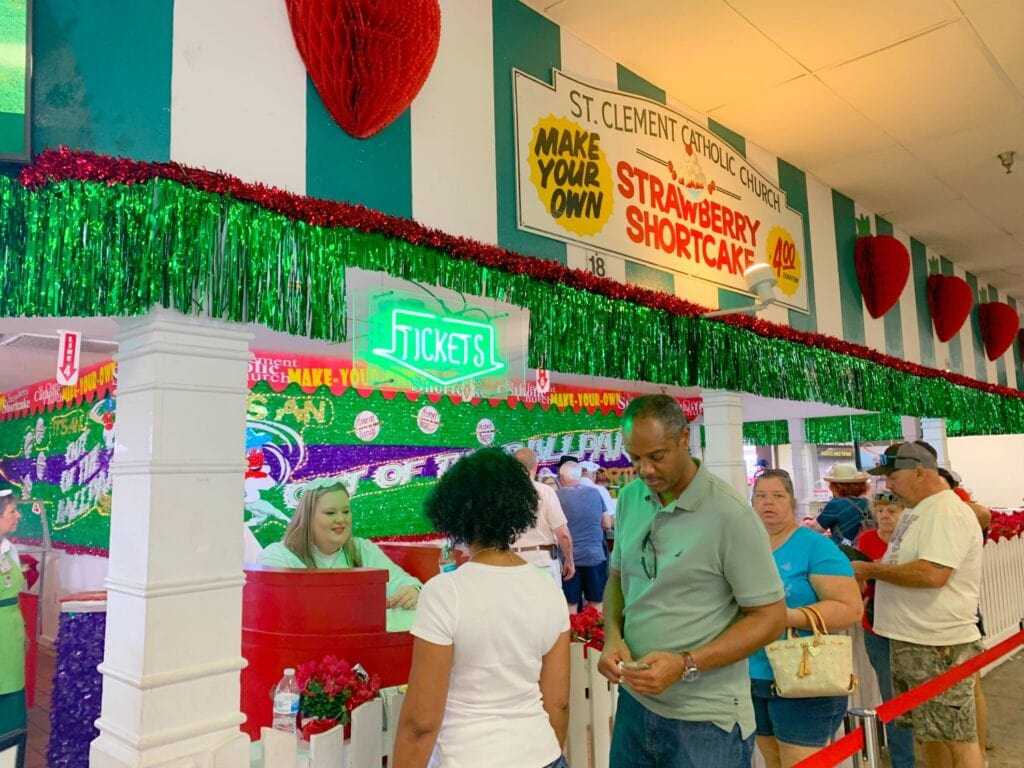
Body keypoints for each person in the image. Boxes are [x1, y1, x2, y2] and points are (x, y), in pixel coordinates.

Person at [597, 395, 787, 768]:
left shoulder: (729, 515)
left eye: (657, 455)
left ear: (685, 438)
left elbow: (770, 618)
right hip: (636, 708)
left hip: (706, 721)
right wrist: (613, 637)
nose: (645, 470)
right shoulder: (632, 499)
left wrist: (686, 664)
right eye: (635, 458)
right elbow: (618, 578)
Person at [392, 448, 570, 768]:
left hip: (467, 756)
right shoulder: (547, 588)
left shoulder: (445, 593)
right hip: (543, 754)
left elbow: (421, 722)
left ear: (455, 513)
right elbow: (558, 703)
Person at [853, 442, 984, 768]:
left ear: (920, 472)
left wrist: (869, 569)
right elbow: (905, 562)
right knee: (930, 733)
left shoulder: (946, 511)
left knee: (957, 736)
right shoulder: (918, 511)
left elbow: (933, 573)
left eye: (893, 476)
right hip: (914, 640)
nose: (889, 485)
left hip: (938, 644)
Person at [749, 470, 863, 768]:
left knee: (803, 762)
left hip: (804, 674)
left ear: (793, 503)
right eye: (760, 496)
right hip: (753, 674)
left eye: (777, 496)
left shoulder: (816, 546)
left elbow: (850, 608)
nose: (768, 503)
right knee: (772, 758)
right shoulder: (745, 547)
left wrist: (786, 617)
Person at [258, 478, 422, 609]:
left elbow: (401, 582)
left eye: (345, 511)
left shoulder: (362, 549)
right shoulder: (278, 556)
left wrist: (412, 591)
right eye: (330, 513)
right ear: (307, 518)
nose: (341, 519)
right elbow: (272, 607)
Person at [854, 490, 916, 768]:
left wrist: (877, 570)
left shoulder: (912, 540)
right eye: (879, 510)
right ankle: (904, 762)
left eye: (891, 511)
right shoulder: (866, 540)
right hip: (876, 626)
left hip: (910, 626)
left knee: (920, 695)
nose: (884, 516)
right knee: (892, 698)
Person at [512, 447, 575, 585]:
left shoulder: (501, 495)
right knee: (549, 606)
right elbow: (562, 533)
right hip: (542, 562)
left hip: (511, 563)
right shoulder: (545, 491)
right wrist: (569, 560)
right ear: (536, 465)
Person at [556, 461, 611, 613]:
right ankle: (596, 635)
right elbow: (606, 523)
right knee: (596, 604)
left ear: (561, 477)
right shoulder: (595, 493)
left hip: (568, 560)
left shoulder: (556, 497)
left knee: (570, 606)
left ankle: (572, 636)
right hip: (594, 556)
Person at [0, 490, 27, 765]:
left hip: (9, 637)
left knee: (10, 710)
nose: (18, 515)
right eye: (12, 511)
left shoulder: (10, 549)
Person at [814, 463, 871, 544]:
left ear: (837, 486)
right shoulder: (868, 504)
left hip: (844, 552)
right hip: (866, 552)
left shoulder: (835, 505)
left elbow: (817, 528)